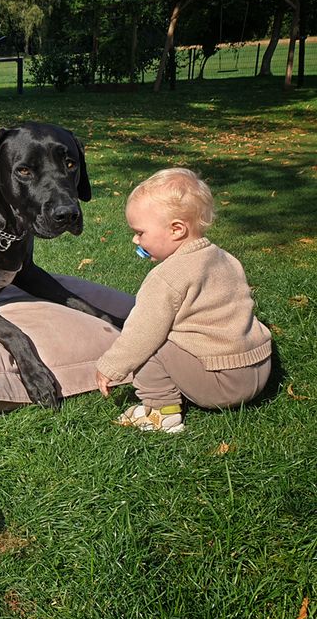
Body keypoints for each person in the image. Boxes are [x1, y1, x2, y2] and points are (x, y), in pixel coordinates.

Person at [95, 168, 272, 433]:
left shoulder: (167, 277)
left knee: (151, 344)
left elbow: (142, 332)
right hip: (258, 370)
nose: (135, 239)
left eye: (140, 232)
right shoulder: (225, 258)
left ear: (177, 229)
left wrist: (112, 365)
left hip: (222, 384)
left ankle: (161, 413)